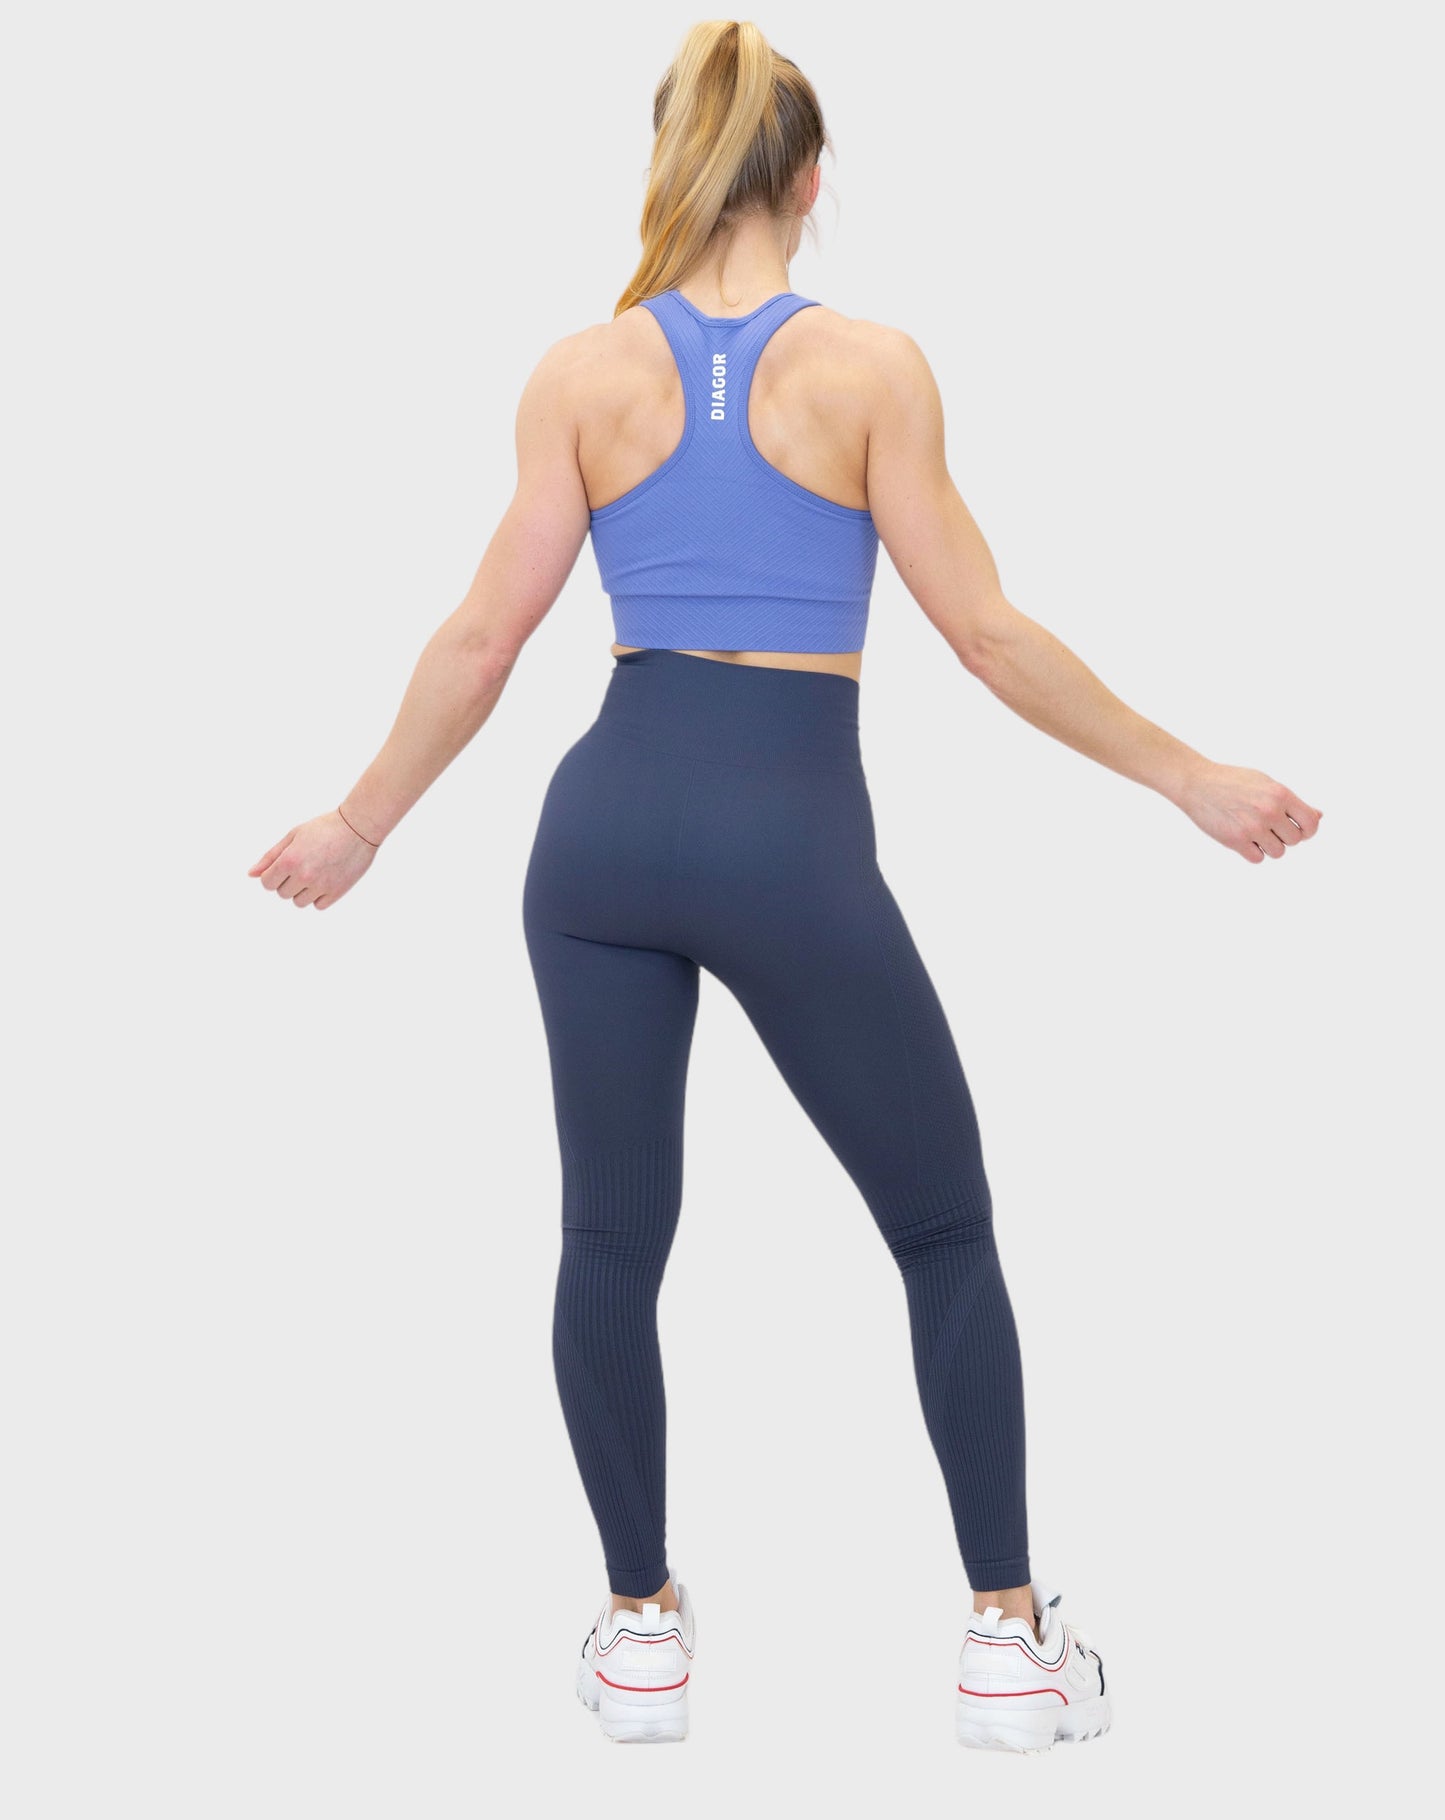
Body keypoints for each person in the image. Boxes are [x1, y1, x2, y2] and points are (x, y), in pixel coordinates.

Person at [247, 20, 1322, 1752]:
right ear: (812, 177)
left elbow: (480, 639)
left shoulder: (580, 374)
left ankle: (639, 1632)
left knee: (608, 1240)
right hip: (786, 843)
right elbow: (985, 635)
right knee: (941, 1228)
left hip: (599, 836)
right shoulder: (872, 369)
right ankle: (1004, 1641)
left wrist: (360, 822)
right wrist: (1184, 774)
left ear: (675, 164)